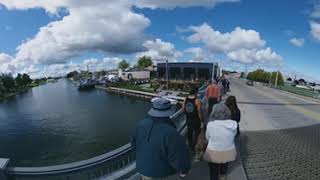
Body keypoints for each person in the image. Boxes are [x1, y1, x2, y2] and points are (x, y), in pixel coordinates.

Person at [131, 98, 191, 179]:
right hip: (162, 173)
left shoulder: (141, 124)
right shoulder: (170, 132)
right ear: (169, 112)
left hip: (143, 169)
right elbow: (179, 157)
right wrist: (184, 170)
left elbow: (134, 145)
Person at [204, 103, 237, 180]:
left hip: (214, 154)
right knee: (225, 162)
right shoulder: (234, 124)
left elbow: (207, 138)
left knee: (213, 170)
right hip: (229, 153)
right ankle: (223, 174)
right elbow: (234, 135)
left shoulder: (210, 125)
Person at [183, 87, 202, 153]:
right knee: (197, 132)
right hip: (195, 119)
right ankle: (193, 146)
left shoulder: (186, 98)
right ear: (195, 92)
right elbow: (199, 112)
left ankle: (190, 145)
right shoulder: (197, 100)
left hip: (188, 119)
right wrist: (201, 120)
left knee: (189, 132)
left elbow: (183, 109)